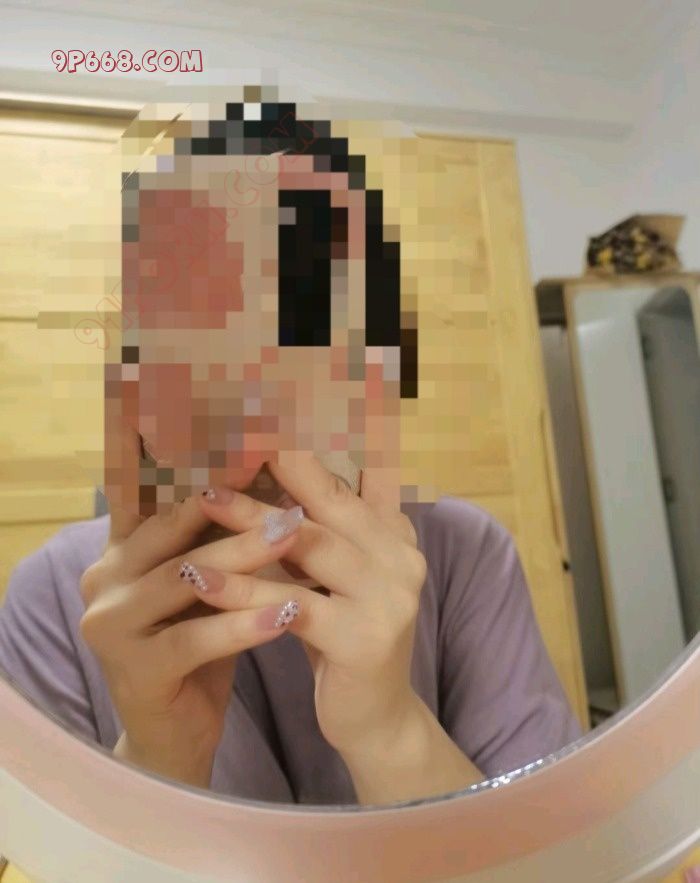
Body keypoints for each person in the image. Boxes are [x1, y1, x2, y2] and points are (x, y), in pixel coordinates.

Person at [0, 88, 582, 807]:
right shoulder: (57, 596)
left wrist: (389, 730)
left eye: (304, 312)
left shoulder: (465, 554)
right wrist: (159, 754)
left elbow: (554, 849)